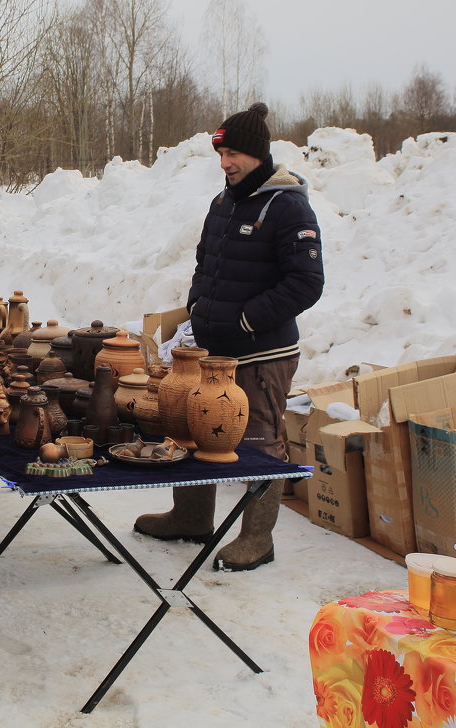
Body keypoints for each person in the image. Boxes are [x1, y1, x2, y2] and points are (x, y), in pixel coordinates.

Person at [134, 102, 325, 572]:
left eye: (234, 154)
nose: (225, 163)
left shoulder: (288, 206)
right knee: (192, 428)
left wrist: (244, 321)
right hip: (212, 350)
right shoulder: (224, 202)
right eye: (221, 154)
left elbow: (307, 282)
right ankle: (191, 517)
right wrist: (198, 306)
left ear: (258, 153)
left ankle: (257, 539)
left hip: (262, 352)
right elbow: (205, 262)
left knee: (260, 441)